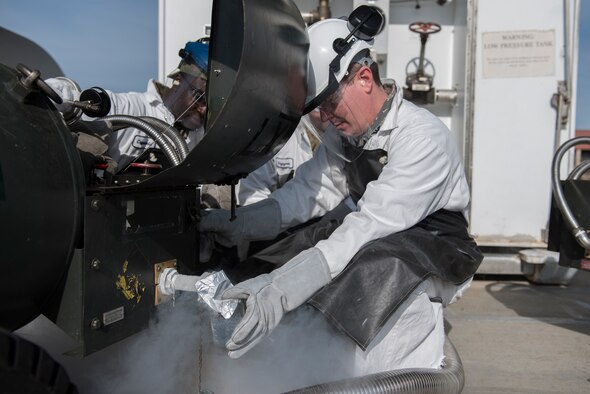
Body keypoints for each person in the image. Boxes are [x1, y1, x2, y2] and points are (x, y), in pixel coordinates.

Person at [200, 13, 482, 374]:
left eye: (329, 102)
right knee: (285, 246)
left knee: (375, 266)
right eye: (317, 107)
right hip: (381, 231)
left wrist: (282, 289)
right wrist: (241, 227)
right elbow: (306, 195)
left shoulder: (422, 138)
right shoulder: (346, 136)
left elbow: (370, 225)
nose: (324, 116)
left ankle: (380, 373)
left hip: (436, 248)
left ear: (364, 78)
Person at [46, 39, 209, 170]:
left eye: (211, 104)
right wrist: (52, 93)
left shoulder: (203, 137)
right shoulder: (134, 108)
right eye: (199, 97)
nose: (204, 109)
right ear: (179, 79)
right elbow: (78, 101)